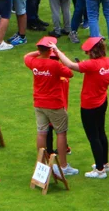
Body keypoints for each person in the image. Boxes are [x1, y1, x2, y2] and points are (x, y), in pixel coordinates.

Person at [55, 36, 109, 178]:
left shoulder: (91, 65)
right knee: (101, 132)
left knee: (93, 136)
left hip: (89, 105)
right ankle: (105, 163)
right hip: (102, 101)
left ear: (93, 52)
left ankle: (100, 170)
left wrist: (57, 51)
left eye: (88, 52)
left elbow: (69, 65)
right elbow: (92, 69)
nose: (86, 54)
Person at [24, 37, 78, 176]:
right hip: (54, 104)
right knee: (61, 133)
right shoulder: (54, 65)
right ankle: (64, 166)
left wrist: (39, 52)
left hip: (39, 104)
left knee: (42, 132)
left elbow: (26, 56)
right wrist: (58, 52)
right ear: (50, 50)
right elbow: (70, 72)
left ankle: (42, 164)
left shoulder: (34, 62)